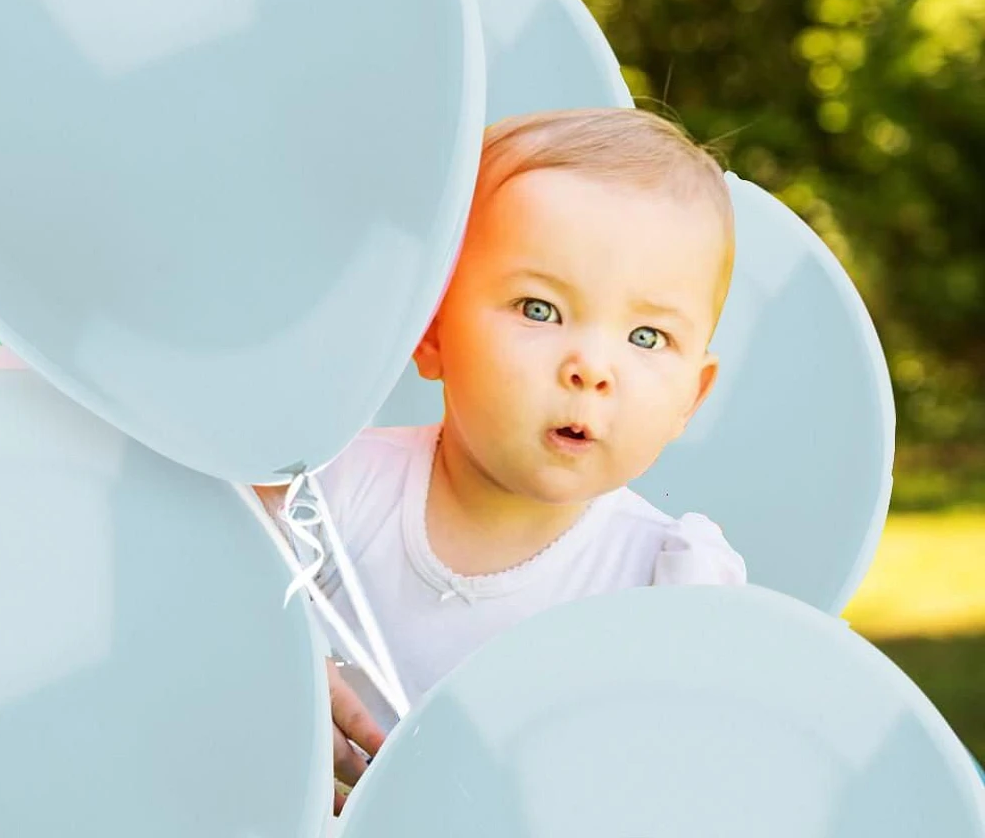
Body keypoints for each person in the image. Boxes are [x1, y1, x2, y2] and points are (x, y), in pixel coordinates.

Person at [256, 107, 747, 812]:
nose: (591, 367)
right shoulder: (326, 497)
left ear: (690, 400)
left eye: (646, 336)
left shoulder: (669, 585)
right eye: (539, 309)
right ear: (431, 334)